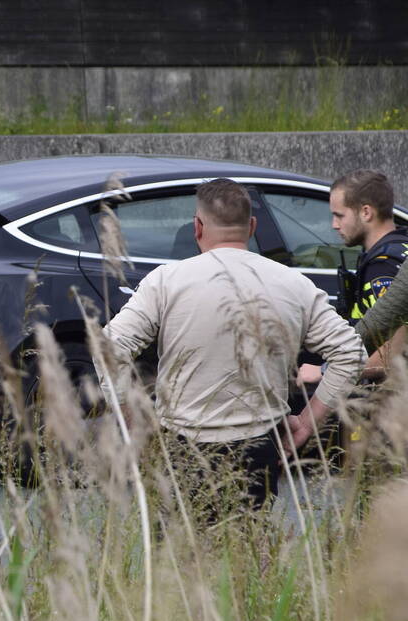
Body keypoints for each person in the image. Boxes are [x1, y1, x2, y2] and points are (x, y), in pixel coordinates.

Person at [99, 179, 365, 509]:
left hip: (181, 446)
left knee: (179, 552)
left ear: (197, 226)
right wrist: (307, 423)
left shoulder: (166, 282)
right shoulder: (293, 284)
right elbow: (351, 353)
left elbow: (109, 348)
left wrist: (131, 418)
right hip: (259, 448)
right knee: (247, 549)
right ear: (252, 226)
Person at [298, 170, 408, 384]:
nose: (334, 225)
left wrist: (324, 371)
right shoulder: (400, 247)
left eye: (339, 215)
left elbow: (394, 349)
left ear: (366, 212)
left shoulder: (383, 265)